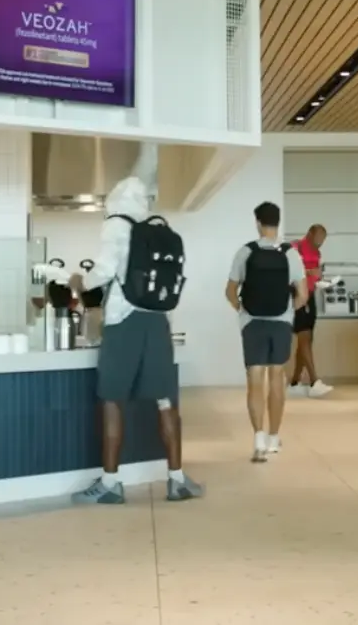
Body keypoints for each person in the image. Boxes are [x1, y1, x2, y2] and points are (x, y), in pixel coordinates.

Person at [67, 175, 204, 504]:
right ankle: (177, 480)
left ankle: (110, 484)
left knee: (112, 400)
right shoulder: (156, 230)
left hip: (123, 321)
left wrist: (78, 281)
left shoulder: (116, 225)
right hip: (158, 321)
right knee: (166, 400)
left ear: (114, 200)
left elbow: (103, 271)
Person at [227, 203, 307, 462]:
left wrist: (243, 311)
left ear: (258, 223)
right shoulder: (290, 254)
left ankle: (258, 438)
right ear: (278, 222)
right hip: (281, 323)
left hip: (252, 323)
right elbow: (303, 294)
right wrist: (288, 313)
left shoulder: (246, 252)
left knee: (254, 378)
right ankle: (274, 438)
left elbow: (230, 291)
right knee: (276, 378)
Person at [288, 224, 332, 397]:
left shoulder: (317, 253)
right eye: (318, 238)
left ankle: (294, 382)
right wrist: (309, 272)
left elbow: (315, 275)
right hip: (297, 295)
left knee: (306, 339)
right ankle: (314, 381)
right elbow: (288, 272)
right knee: (304, 336)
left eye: (323, 240)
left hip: (311, 295)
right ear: (309, 234)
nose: (320, 242)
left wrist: (319, 278)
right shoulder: (294, 248)